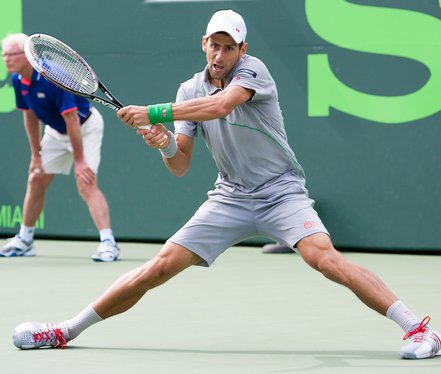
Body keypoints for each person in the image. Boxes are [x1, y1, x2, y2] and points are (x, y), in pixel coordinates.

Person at [11, 10, 441, 359]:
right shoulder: (186, 90)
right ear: (204, 44)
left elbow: (220, 106)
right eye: (213, 45)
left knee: (324, 259)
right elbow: (180, 165)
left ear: (242, 49)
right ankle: (66, 330)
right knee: (158, 267)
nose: (219, 54)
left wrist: (154, 113)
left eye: (228, 47)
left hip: (280, 192)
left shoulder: (253, 72)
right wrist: (163, 144)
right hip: (230, 197)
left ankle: (420, 329)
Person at [1, 33, 120, 262]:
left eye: (11, 54)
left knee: (86, 183)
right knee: (36, 178)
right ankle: (25, 240)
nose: (6, 59)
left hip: (84, 127)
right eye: (3, 54)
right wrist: (36, 155)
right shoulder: (18, 79)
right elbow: (30, 117)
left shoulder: (52, 77)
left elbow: (72, 119)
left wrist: (80, 160)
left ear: (26, 54)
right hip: (55, 132)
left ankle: (108, 244)